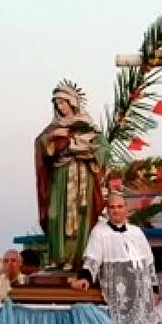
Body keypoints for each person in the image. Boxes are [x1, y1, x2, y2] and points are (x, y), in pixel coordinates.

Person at [34, 80, 104, 268]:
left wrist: (86, 150)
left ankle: (77, 258)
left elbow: (103, 149)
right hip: (60, 174)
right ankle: (59, 257)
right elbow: (42, 147)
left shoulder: (88, 124)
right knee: (57, 215)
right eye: (57, 104)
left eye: (63, 102)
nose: (60, 107)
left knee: (80, 215)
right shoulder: (54, 127)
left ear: (72, 103)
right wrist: (53, 137)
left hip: (82, 176)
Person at [71, 193, 157, 324]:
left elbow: (149, 262)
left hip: (143, 297)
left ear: (126, 209)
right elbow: (92, 258)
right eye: (112, 207)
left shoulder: (136, 232)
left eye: (119, 206)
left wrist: (154, 289)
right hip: (120, 296)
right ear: (107, 210)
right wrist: (84, 278)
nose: (116, 210)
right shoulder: (99, 232)